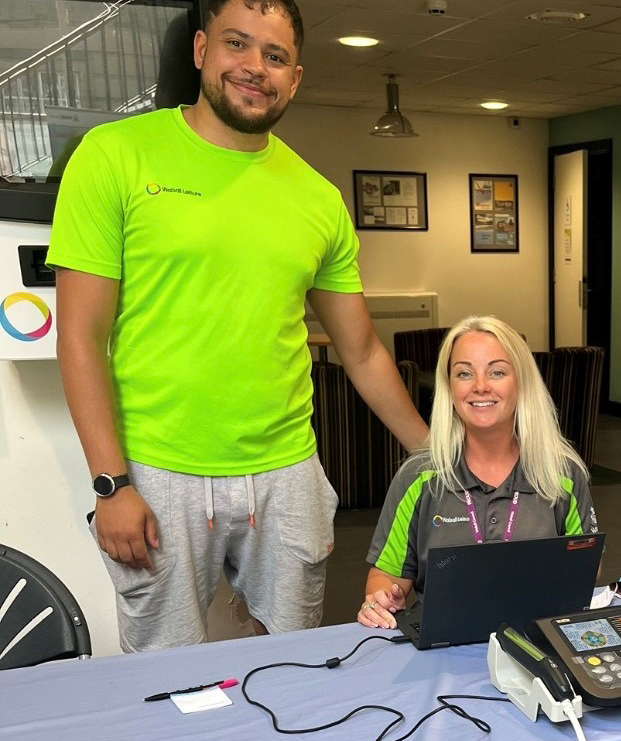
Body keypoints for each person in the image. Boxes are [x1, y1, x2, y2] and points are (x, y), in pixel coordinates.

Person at [47, 0, 428, 652]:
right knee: (165, 673)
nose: (255, 68)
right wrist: (111, 485)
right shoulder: (114, 156)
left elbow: (361, 349)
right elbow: (80, 337)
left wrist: (433, 454)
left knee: (293, 661)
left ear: (296, 77)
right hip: (158, 467)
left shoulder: (316, 198)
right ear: (200, 51)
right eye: (238, 45)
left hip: (287, 471)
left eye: (275, 55)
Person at [359, 316, 599, 628]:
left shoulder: (562, 474)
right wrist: (379, 600)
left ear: (521, 382)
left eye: (497, 372)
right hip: (443, 648)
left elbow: (586, 569)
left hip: (537, 640)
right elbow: (386, 576)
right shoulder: (418, 477)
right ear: (449, 387)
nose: (480, 387)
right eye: (464, 373)